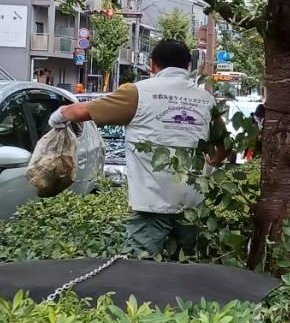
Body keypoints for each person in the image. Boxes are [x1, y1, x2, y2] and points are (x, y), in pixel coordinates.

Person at [51, 39, 225, 257]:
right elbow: (225, 146)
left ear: (153, 65)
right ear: (188, 66)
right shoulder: (206, 99)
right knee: (188, 271)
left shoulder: (137, 93)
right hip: (194, 205)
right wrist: (209, 167)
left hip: (151, 206)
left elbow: (81, 112)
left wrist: (58, 115)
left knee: (140, 272)